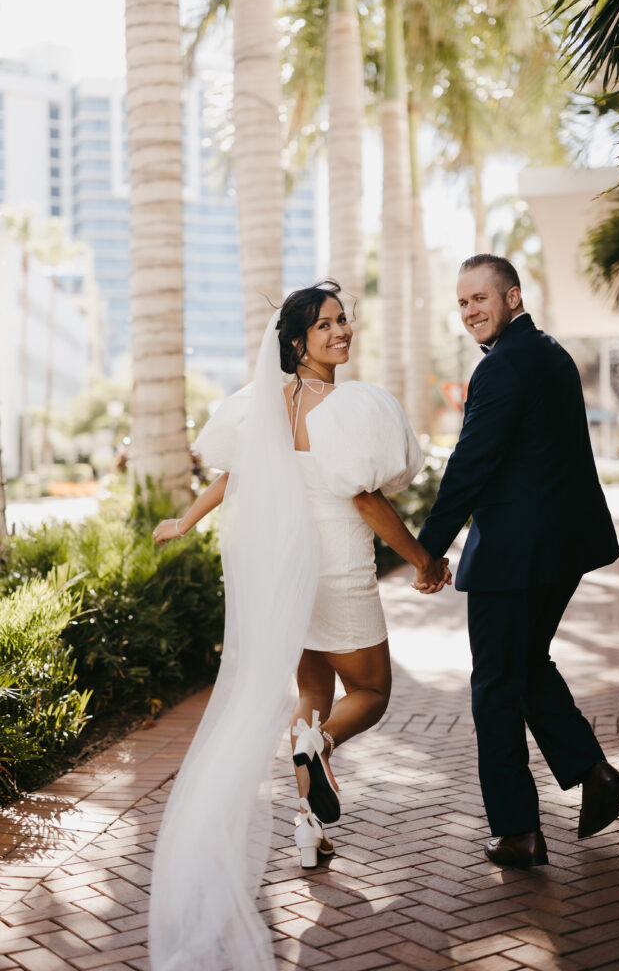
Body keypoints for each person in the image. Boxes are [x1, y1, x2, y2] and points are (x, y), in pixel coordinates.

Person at [148, 280, 450, 971]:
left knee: (310, 696)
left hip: (285, 573)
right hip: (339, 567)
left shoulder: (260, 405)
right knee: (370, 694)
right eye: (324, 326)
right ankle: (320, 753)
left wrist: (184, 520)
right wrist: (422, 559)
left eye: (343, 321)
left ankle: (309, 830)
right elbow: (368, 501)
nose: (340, 332)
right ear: (295, 342)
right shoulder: (349, 406)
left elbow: (231, 476)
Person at [415, 254, 619, 870]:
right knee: (526, 665)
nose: (470, 312)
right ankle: (593, 771)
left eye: (480, 298)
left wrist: (428, 551)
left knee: (495, 689)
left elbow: (468, 469)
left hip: (515, 558)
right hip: (560, 551)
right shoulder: (551, 354)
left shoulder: (503, 367)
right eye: (461, 303)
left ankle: (516, 831)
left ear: (513, 296)